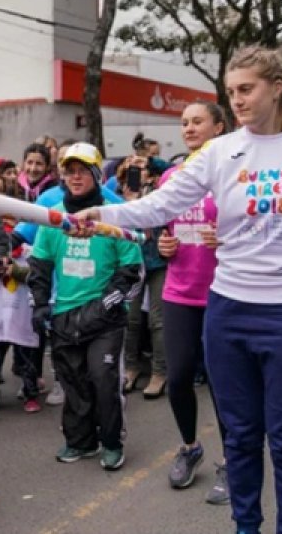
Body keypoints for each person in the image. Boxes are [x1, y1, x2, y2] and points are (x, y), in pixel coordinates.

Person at [71, 45, 282, 534]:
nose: (236, 100)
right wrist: (102, 215)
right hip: (229, 313)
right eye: (231, 90)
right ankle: (246, 527)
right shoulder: (219, 152)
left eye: (247, 89)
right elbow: (158, 206)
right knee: (239, 437)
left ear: (277, 87)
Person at [28, 142, 143, 469]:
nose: (75, 178)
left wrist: (106, 304)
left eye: (82, 171)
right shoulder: (55, 216)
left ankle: (110, 442)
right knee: (73, 382)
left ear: (96, 173)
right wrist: (39, 305)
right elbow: (40, 264)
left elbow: (130, 271)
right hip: (65, 314)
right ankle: (80, 442)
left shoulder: (114, 213)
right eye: (69, 172)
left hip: (104, 318)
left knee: (102, 378)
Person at [156, 101, 229, 502]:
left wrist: (230, 238)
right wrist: (162, 244)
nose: (189, 128)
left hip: (223, 291)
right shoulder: (172, 176)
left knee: (223, 384)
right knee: (179, 377)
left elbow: (257, 230)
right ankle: (190, 448)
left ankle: (233, 461)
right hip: (179, 292)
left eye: (197, 121)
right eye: (184, 122)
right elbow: (163, 229)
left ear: (218, 127)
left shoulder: (233, 175)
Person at [0, 173, 41, 414]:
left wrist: (15, 270)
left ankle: (30, 392)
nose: (9, 224)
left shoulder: (29, 247)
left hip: (22, 309)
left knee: (26, 354)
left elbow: (37, 274)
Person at [115, 155, 168, 398]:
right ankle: (131, 368)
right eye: (134, 169)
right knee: (131, 319)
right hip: (132, 263)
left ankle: (159, 372)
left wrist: (151, 161)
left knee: (157, 320)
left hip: (158, 261)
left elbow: (173, 170)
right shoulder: (120, 191)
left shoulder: (161, 189)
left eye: (142, 169)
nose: (139, 172)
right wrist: (127, 199)